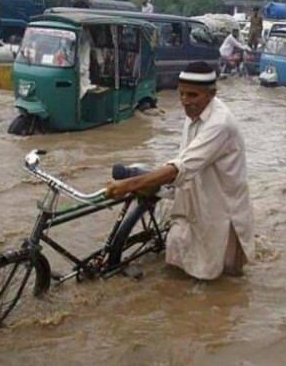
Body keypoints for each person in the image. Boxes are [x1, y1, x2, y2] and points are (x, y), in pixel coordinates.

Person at [105, 62, 254, 280]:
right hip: (194, 186)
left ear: (211, 94)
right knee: (184, 249)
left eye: (192, 95)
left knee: (220, 267)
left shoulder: (220, 123)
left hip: (220, 199)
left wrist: (127, 185)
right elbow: (185, 156)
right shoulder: (195, 111)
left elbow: (183, 166)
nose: (185, 101)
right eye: (181, 94)